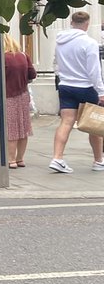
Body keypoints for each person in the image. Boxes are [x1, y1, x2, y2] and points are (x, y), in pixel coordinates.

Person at [50, 11, 104, 174]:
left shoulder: (60, 41)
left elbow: (57, 63)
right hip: (86, 86)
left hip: (66, 85)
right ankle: (98, 160)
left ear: (72, 22)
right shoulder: (89, 42)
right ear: (87, 24)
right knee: (93, 125)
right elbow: (94, 70)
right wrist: (101, 91)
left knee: (66, 122)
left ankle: (57, 158)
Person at [2, 34, 36, 169]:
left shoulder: (3, 58)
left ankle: (11, 160)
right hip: (23, 95)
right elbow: (32, 74)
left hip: (8, 96)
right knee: (23, 128)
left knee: (12, 129)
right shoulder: (23, 55)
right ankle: (20, 158)